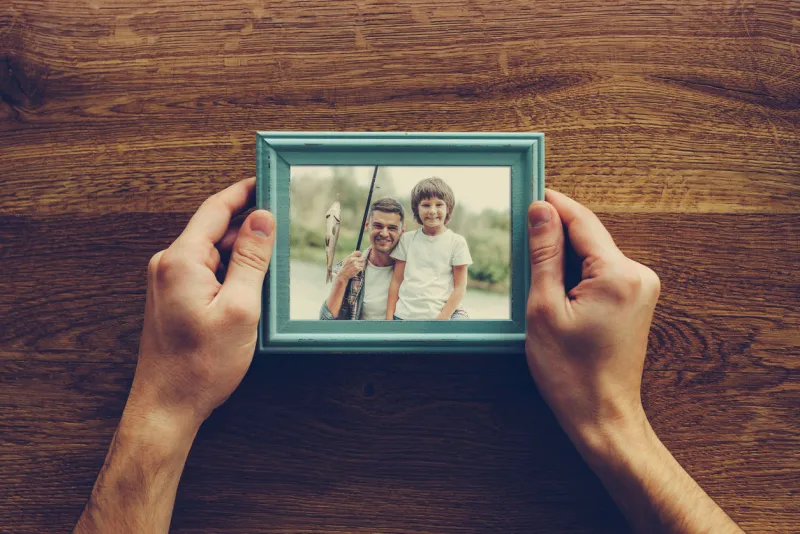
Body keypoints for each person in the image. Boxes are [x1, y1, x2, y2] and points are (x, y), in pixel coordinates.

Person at [73, 177, 744, 533]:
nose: (397, 228)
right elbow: (336, 310)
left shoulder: (437, 247)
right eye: (388, 222)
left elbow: (443, 286)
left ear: (433, 215)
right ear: (375, 227)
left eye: (406, 219)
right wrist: (343, 281)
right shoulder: (354, 265)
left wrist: (161, 404)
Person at [386, 177, 472, 320]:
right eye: (426, 205)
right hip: (404, 316)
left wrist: (442, 319)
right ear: (416, 209)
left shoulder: (457, 242)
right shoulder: (407, 240)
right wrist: (389, 319)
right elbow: (396, 282)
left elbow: (460, 288)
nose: (432, 211)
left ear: (448, 208)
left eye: (439, 205)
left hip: (441, 317)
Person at [320, 197, 405, 320]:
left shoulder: (411, 270)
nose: (384, 233)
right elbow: (324, 323)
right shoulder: (346, 268)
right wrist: (342, 278)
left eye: (392, 228)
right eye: (378, 226)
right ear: (367, 226)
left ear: (402, 231)